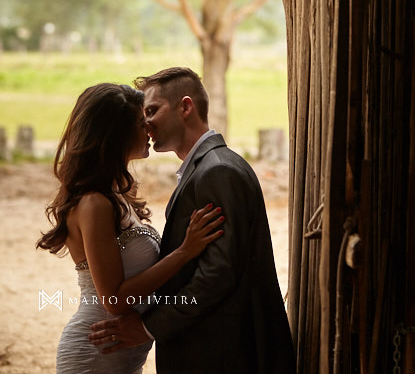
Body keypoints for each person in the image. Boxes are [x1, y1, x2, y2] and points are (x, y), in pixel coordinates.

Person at [89, 66, 296, 374]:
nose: (145, 123)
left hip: (223, 354)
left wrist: (148, 328)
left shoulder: (217, 171)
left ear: (185, 107)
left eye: (152, 110)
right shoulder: (208, 167)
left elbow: (217, 276)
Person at [38, 82, 224, 374]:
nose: (149, 129)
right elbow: (115, 299)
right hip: (96, 351)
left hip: (122, 354)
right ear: (116, 134)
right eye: (141, 123)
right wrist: (185, 252)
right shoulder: (94, 204)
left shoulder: (115, 193)